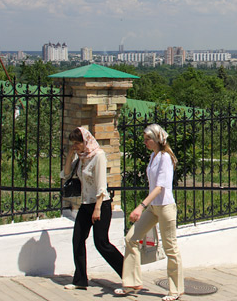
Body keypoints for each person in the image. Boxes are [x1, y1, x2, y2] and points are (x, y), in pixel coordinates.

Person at [115, 124, 184, 300]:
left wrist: (140, 206)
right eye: (145, 139)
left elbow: (160, 187)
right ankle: (131, 283)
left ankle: (175, 290)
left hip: (165, 207)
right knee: (131, 238)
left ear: (158, 139)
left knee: (170, 248)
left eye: (148, 139)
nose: (145, 142)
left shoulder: (165, 158)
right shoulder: (153, 157)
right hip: (154, 207)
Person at [63, 127, 124, 290]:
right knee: (77, 239)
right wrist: (70, 154)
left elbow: (101, 186)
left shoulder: (98, 156)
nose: (75, 146)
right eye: (73, 144)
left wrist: (97, 209)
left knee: (102, 243)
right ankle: (80, 280)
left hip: (100, 204)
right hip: (85, 204)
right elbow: (65, 173)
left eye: (77, 143)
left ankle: (128, 274)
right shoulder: (82, 157)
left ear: (86, 141)